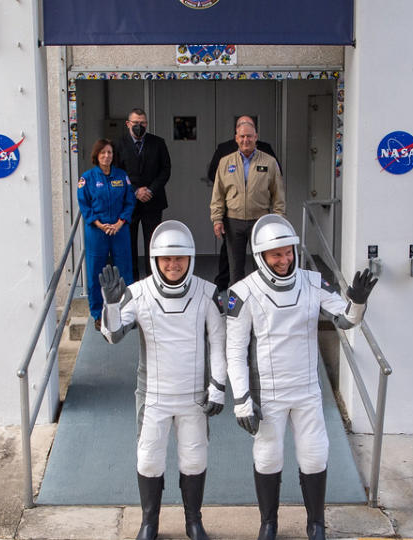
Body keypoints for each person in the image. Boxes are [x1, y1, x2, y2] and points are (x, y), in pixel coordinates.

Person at [225, 214, 377, 540]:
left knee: (315, 454)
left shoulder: (312, 281)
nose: (284, 259)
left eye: (288, 251)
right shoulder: (242, 292)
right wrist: (241, 400)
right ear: (261, 256)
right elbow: (234, 352)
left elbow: (346, 321)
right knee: (267, 457)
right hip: (269, 393)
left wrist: (358, 302)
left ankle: (316, 524)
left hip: (307, 390)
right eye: (276, 254)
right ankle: (269, 523)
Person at [98, 220, 226, 540]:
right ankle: (149, 523)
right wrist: (111, 305)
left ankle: (193, 521)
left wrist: (218, 386)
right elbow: (112, 335)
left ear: (190, 258)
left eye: (179, 258)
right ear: (155, 259)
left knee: (194, 458)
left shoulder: (206, 293)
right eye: (166, 259)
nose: (172, 265)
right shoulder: (138, 294)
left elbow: (220, 343)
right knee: (149, 459)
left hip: (194, 395)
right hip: (154, 394)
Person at [206, 116, 278, 292]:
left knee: (262, 267)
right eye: (242, 136)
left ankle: (262, 306)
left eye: (249, 136)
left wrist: (278, 221)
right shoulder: (225, 162)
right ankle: (235, 311)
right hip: (233, 222)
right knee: (235, 270)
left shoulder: (269, 162)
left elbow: (278, 195)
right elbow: (218, 194)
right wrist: (217, 219)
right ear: (236, 138)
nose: (246, 140)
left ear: (256, 137)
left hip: (259, 222)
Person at [77, 139, 136, 329]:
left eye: (109, 152)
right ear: (97, 155)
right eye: (103, 153)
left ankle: (127, 312)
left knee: (125, 271)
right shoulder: (87, 178)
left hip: (119, 230)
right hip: (97, 232)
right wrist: (100, 225)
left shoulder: (121, 176)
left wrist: (120, 223)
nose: (106, 156)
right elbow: (84, 205)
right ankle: (98, 314)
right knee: (96, 272)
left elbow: (130, 202)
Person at [114, 108, 172, 282]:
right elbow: (117, 173)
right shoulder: (118, 144)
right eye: (136, 123)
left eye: (143, 123)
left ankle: (152, 281)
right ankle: (132, 283)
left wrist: (150, 190)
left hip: (153, 202)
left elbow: (165, 169)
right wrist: (135, 191)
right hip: (129, 203)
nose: (139, 126)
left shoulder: (158, 143)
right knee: (129, 244)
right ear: (128, 124)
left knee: (152, 244)